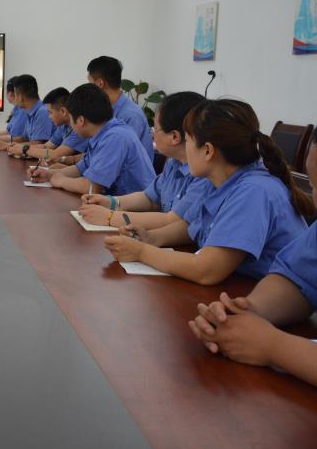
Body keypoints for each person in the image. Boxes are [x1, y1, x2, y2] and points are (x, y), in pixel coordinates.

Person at [104, 99, 312, 285]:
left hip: (267, 298)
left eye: (188, 141)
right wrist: (151, 237)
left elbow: (207, 270)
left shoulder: (253, 191)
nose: (185, 149)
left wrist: (141, 252)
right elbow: (192, 227)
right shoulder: (217, 180)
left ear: (208, 151)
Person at [188, 131, 317, 385]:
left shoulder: (256, 189)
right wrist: (246, 312)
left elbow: (208, 268)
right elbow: (297, 278)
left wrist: (273, 346)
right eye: (314, 184)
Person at [78, 91, 209, 229]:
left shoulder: (203, 175)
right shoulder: (173, 162)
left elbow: (172, 221)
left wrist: (110, 217)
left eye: (155, 129)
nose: (152, 135)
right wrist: (111, 202)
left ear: (175, 137)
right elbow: (149, 198)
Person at [29, 83, 155, 195]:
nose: (70, 124)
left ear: (80, 120)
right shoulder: (102, 133)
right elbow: (80, 169)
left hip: (135, 210)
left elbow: (91, 187)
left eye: (71, 119)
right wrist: (49, 174)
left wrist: (61, 181)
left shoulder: (115, 137)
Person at [86, 56, 154, 160]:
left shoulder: (131, 115)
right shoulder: (107, 109)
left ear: (100, 83)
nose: (89, 89)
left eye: (90, 83)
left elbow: (118, 158)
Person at [24, 87, 88, 164]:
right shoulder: (63, 126)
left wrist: (24, 150)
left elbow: (56, 154)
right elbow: (46, 146)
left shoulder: (78, 128)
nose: (49, 116)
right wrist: (21, 147)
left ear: (63, 111)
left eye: (50, 112)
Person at [5, 74, 57, 157]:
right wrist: (12, 144)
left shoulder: (42, 112)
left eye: (15, 94)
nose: (15, 98)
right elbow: (24, 138)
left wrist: (16, 146)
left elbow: (37, 143)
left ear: (20, 96)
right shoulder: (30, 111)